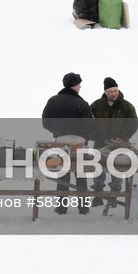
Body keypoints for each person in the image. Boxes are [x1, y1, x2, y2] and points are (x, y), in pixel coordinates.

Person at [41, 72, 98, 214]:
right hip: (79, 143)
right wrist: (84, 136)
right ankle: (83, 208)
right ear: (74, 85)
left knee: (62, 173)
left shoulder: (53, 101)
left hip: (60, 142)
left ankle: (61, 207)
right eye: (79, 84)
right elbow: (90, 126)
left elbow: (45, 122)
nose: (80, 86)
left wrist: (58, 132)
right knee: (80, 174)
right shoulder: (82, 103)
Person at [90, 77, 138, 202]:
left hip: (119, 145)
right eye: (111, 91)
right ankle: (98, 196)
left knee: (117, 170)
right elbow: (89, 122)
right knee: (98, 169)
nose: (113, 93)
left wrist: (122, 138)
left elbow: (133, 124)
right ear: (105, 91)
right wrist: (97, 136)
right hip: (100, 144)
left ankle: (114, 196)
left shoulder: (127, 106)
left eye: (115, 90)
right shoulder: (96, 105)